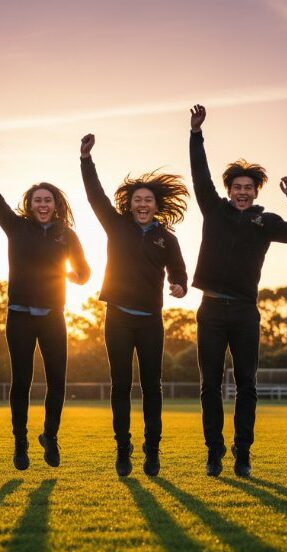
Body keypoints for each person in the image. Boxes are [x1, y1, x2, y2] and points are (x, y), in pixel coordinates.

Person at [190, 105, 287, 478]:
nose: (242, 192)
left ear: (256, 191)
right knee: (210, 386)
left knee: (246, 385)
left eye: (248, 188)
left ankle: (242, 455)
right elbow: (200, 174)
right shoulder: (214, 209)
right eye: (237, 187)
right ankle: (214, 453)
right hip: (210, 310)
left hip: (245, 312)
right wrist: (196, 134)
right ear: (228, 191)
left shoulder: (266, 221)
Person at [79, 133, 188, 477]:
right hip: (118, 317)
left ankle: (152, 451)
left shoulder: (167, 239)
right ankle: (123, 449)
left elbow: (180, 271)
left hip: (151, 320)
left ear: (157, 206)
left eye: (149, 200)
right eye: (138, 199)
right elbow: (95, 197)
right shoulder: (117, 226)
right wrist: (86, 159)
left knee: (152, 387)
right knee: (121, 384)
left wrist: (179, 285)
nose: (143, 204)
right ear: (130, 204)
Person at [0, 130, 90, 470]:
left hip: (54, 316)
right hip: (19, 316)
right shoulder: (16, 228)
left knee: (57, 381)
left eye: (48, 200)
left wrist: (74, 277)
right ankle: (20, 443)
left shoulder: (66, 234)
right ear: (29, 205)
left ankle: (50, 437)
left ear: (56, 205)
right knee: (22, 381)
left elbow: (85, 272)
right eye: (37, 200)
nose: (42, 205)